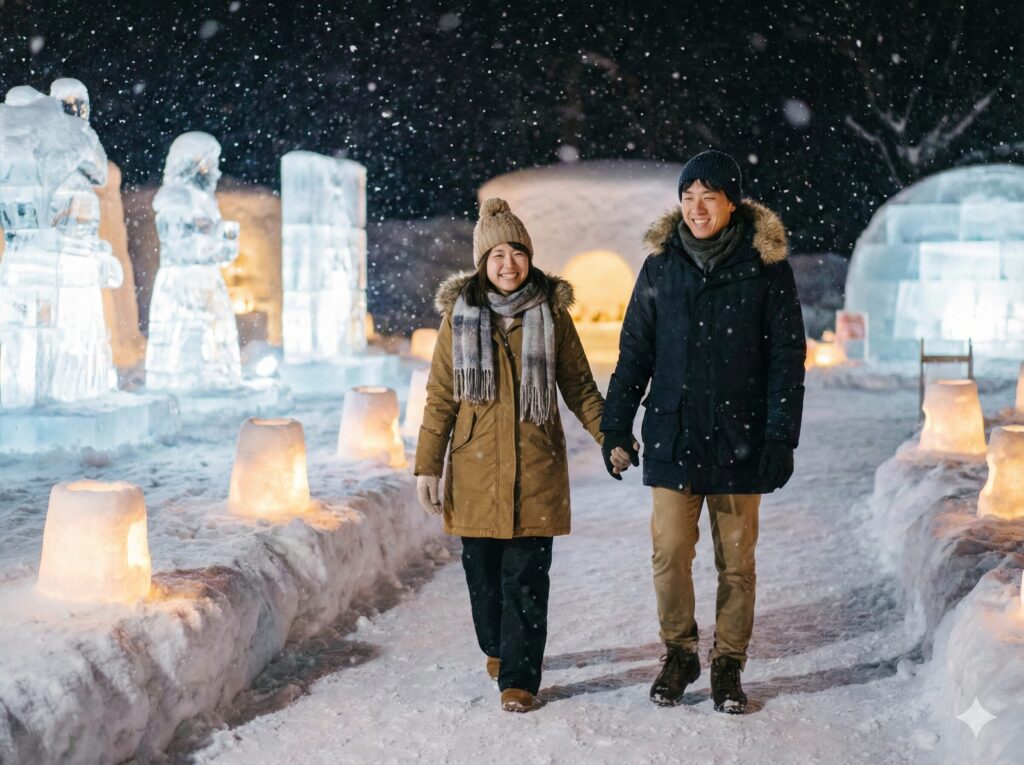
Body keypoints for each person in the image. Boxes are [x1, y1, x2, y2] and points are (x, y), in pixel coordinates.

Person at [601, 150, 806, 714]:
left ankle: (729, 662)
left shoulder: (766, 268)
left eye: (708, 197)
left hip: (741, 437)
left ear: (731, 203)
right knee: (669, 553)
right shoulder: (660, 267)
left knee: (736, 562)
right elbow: (634, 354)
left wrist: (779, 438)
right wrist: (616, 425)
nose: (696, 208)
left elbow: (786, 360)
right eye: (687, 197)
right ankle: (680, 653)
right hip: (673, 433)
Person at [414, 198, 610, 713]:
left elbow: (579, 387)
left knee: (525, 581)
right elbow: (441, 397)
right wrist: (428, 465)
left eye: (517, 252)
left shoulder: (552, 315)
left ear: (530, 257)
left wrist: (609, 437)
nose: (508, 264)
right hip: (475, 470)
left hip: (535, 468)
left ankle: (520, 679)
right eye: (497, 254)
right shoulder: (458, 318)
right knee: (483, 581)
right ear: (483, 262)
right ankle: (498, 646)